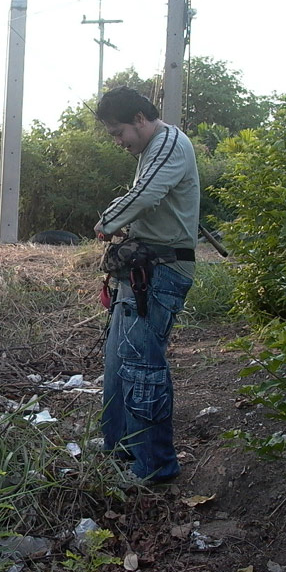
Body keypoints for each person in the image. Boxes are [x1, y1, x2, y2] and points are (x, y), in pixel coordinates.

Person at [94, 86, 200, 485]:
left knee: (141, 365)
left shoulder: (169, 142)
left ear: (140, 118)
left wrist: (107, 221)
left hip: (162, 271)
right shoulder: (153, 149)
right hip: (143, 269)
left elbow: (147, 193)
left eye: (118, 132)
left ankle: (154, 464)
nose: (119, 142)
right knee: (119, 362)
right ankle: (119, 446)